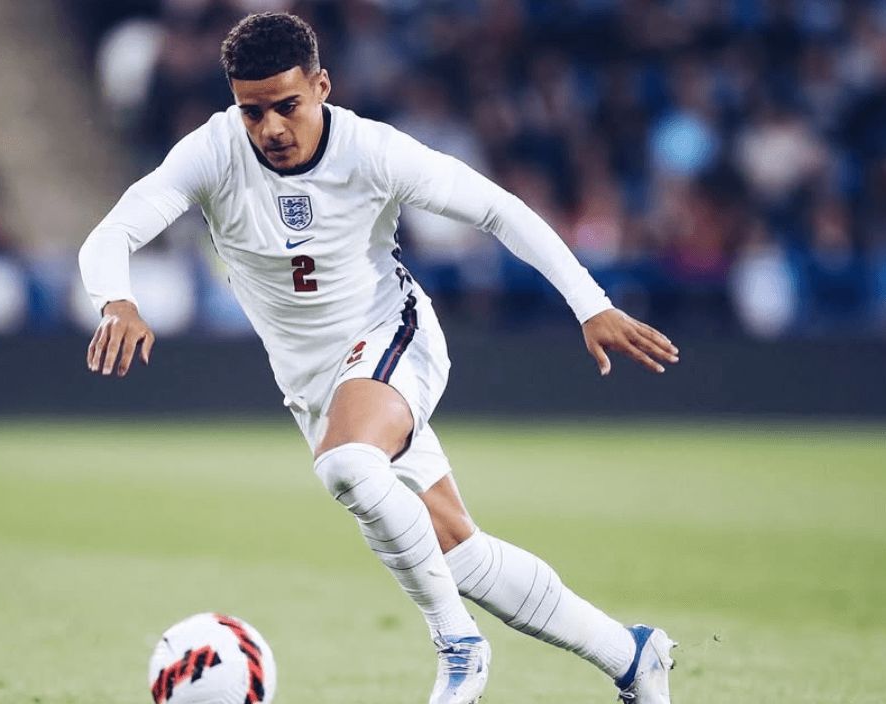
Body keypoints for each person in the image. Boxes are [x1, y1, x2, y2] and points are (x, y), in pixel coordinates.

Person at [79, 12, 679, 704]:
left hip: (393, 337)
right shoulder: (212, 152)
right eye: (252, 111)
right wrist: (114, 299)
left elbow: (498, 209)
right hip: (314, 388)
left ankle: (459, 649)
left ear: (322, 87)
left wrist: (590, 302)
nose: (270, 128)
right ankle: (632, 657)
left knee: (348, 465)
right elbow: (114, 232)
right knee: (460, 552)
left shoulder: (372, 151)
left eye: (287, 106)